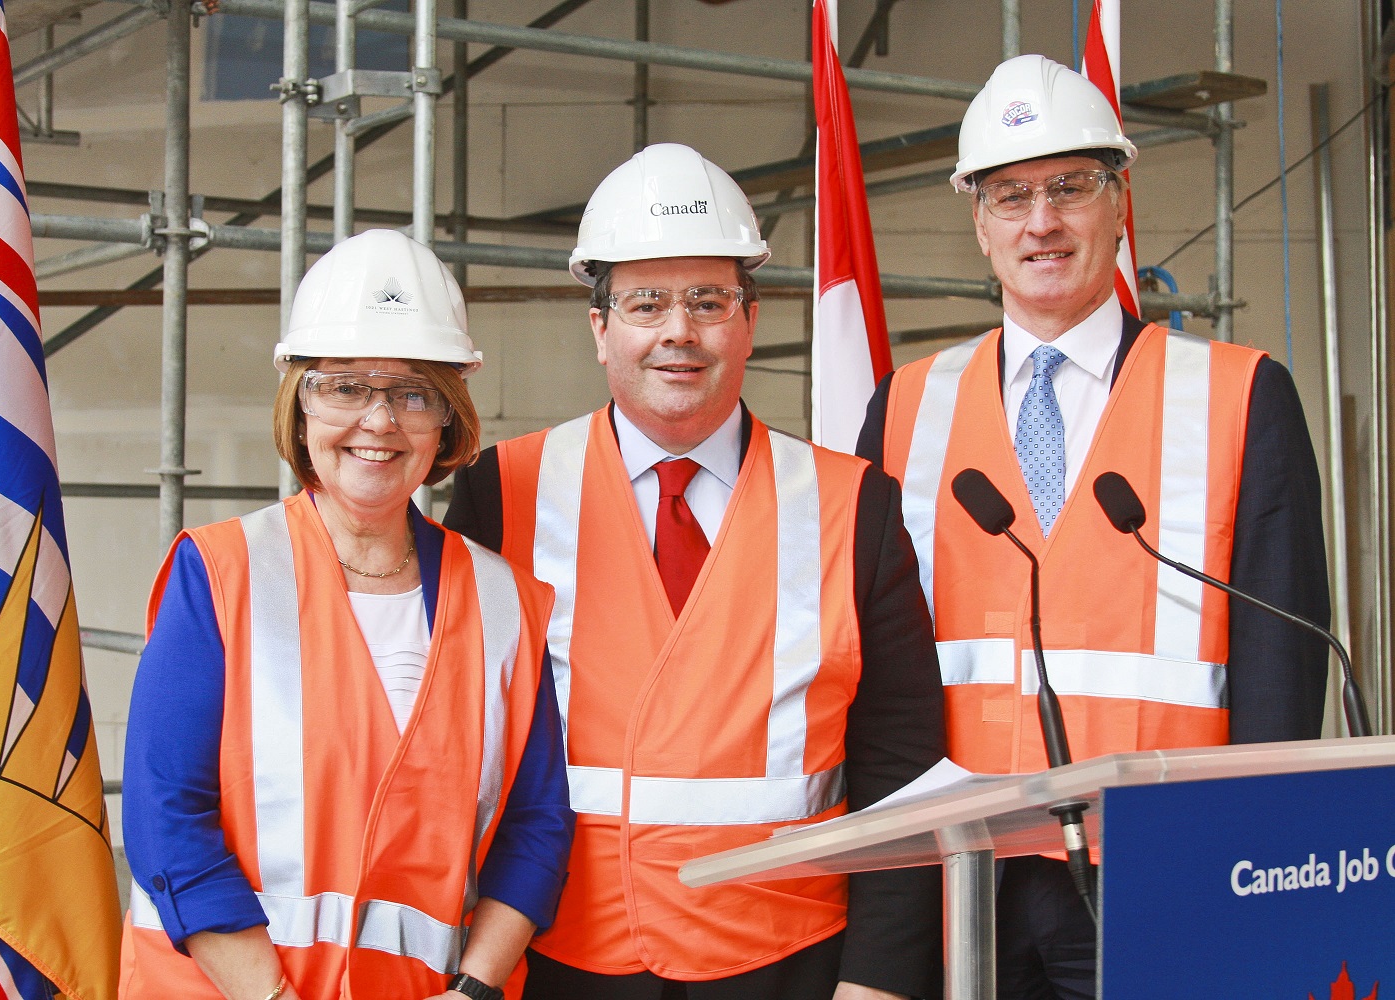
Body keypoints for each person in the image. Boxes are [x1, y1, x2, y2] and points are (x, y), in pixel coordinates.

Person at [856, 55, 1330, 1000]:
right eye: (1010, 196)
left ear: (1119, 199)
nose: (1042, 222)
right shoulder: (906, 404)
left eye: (1070, 187)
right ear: (977, 220)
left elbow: (1282, 675)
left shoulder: (1241, 394)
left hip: (1165, 872)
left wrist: (1254, 875)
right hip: (961, 877)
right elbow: (875, 670)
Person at [444, 143, 947, 1000]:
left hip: (792, 962)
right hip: (559, 956)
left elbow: (900, 761)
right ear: (600, 328)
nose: (679, 330)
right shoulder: (502, 492)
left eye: (708, 301)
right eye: (647, 302)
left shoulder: (852, 504)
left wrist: (880, 979)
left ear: (749, 320)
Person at [119, 230, 575, 1000]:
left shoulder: (504, 602)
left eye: (412, 393)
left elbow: (537, 829)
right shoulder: (222, 572)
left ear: (447, 422)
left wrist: (474, 990)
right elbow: (169, 817)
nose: (379, 420)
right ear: (300, 409)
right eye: (346, 388)